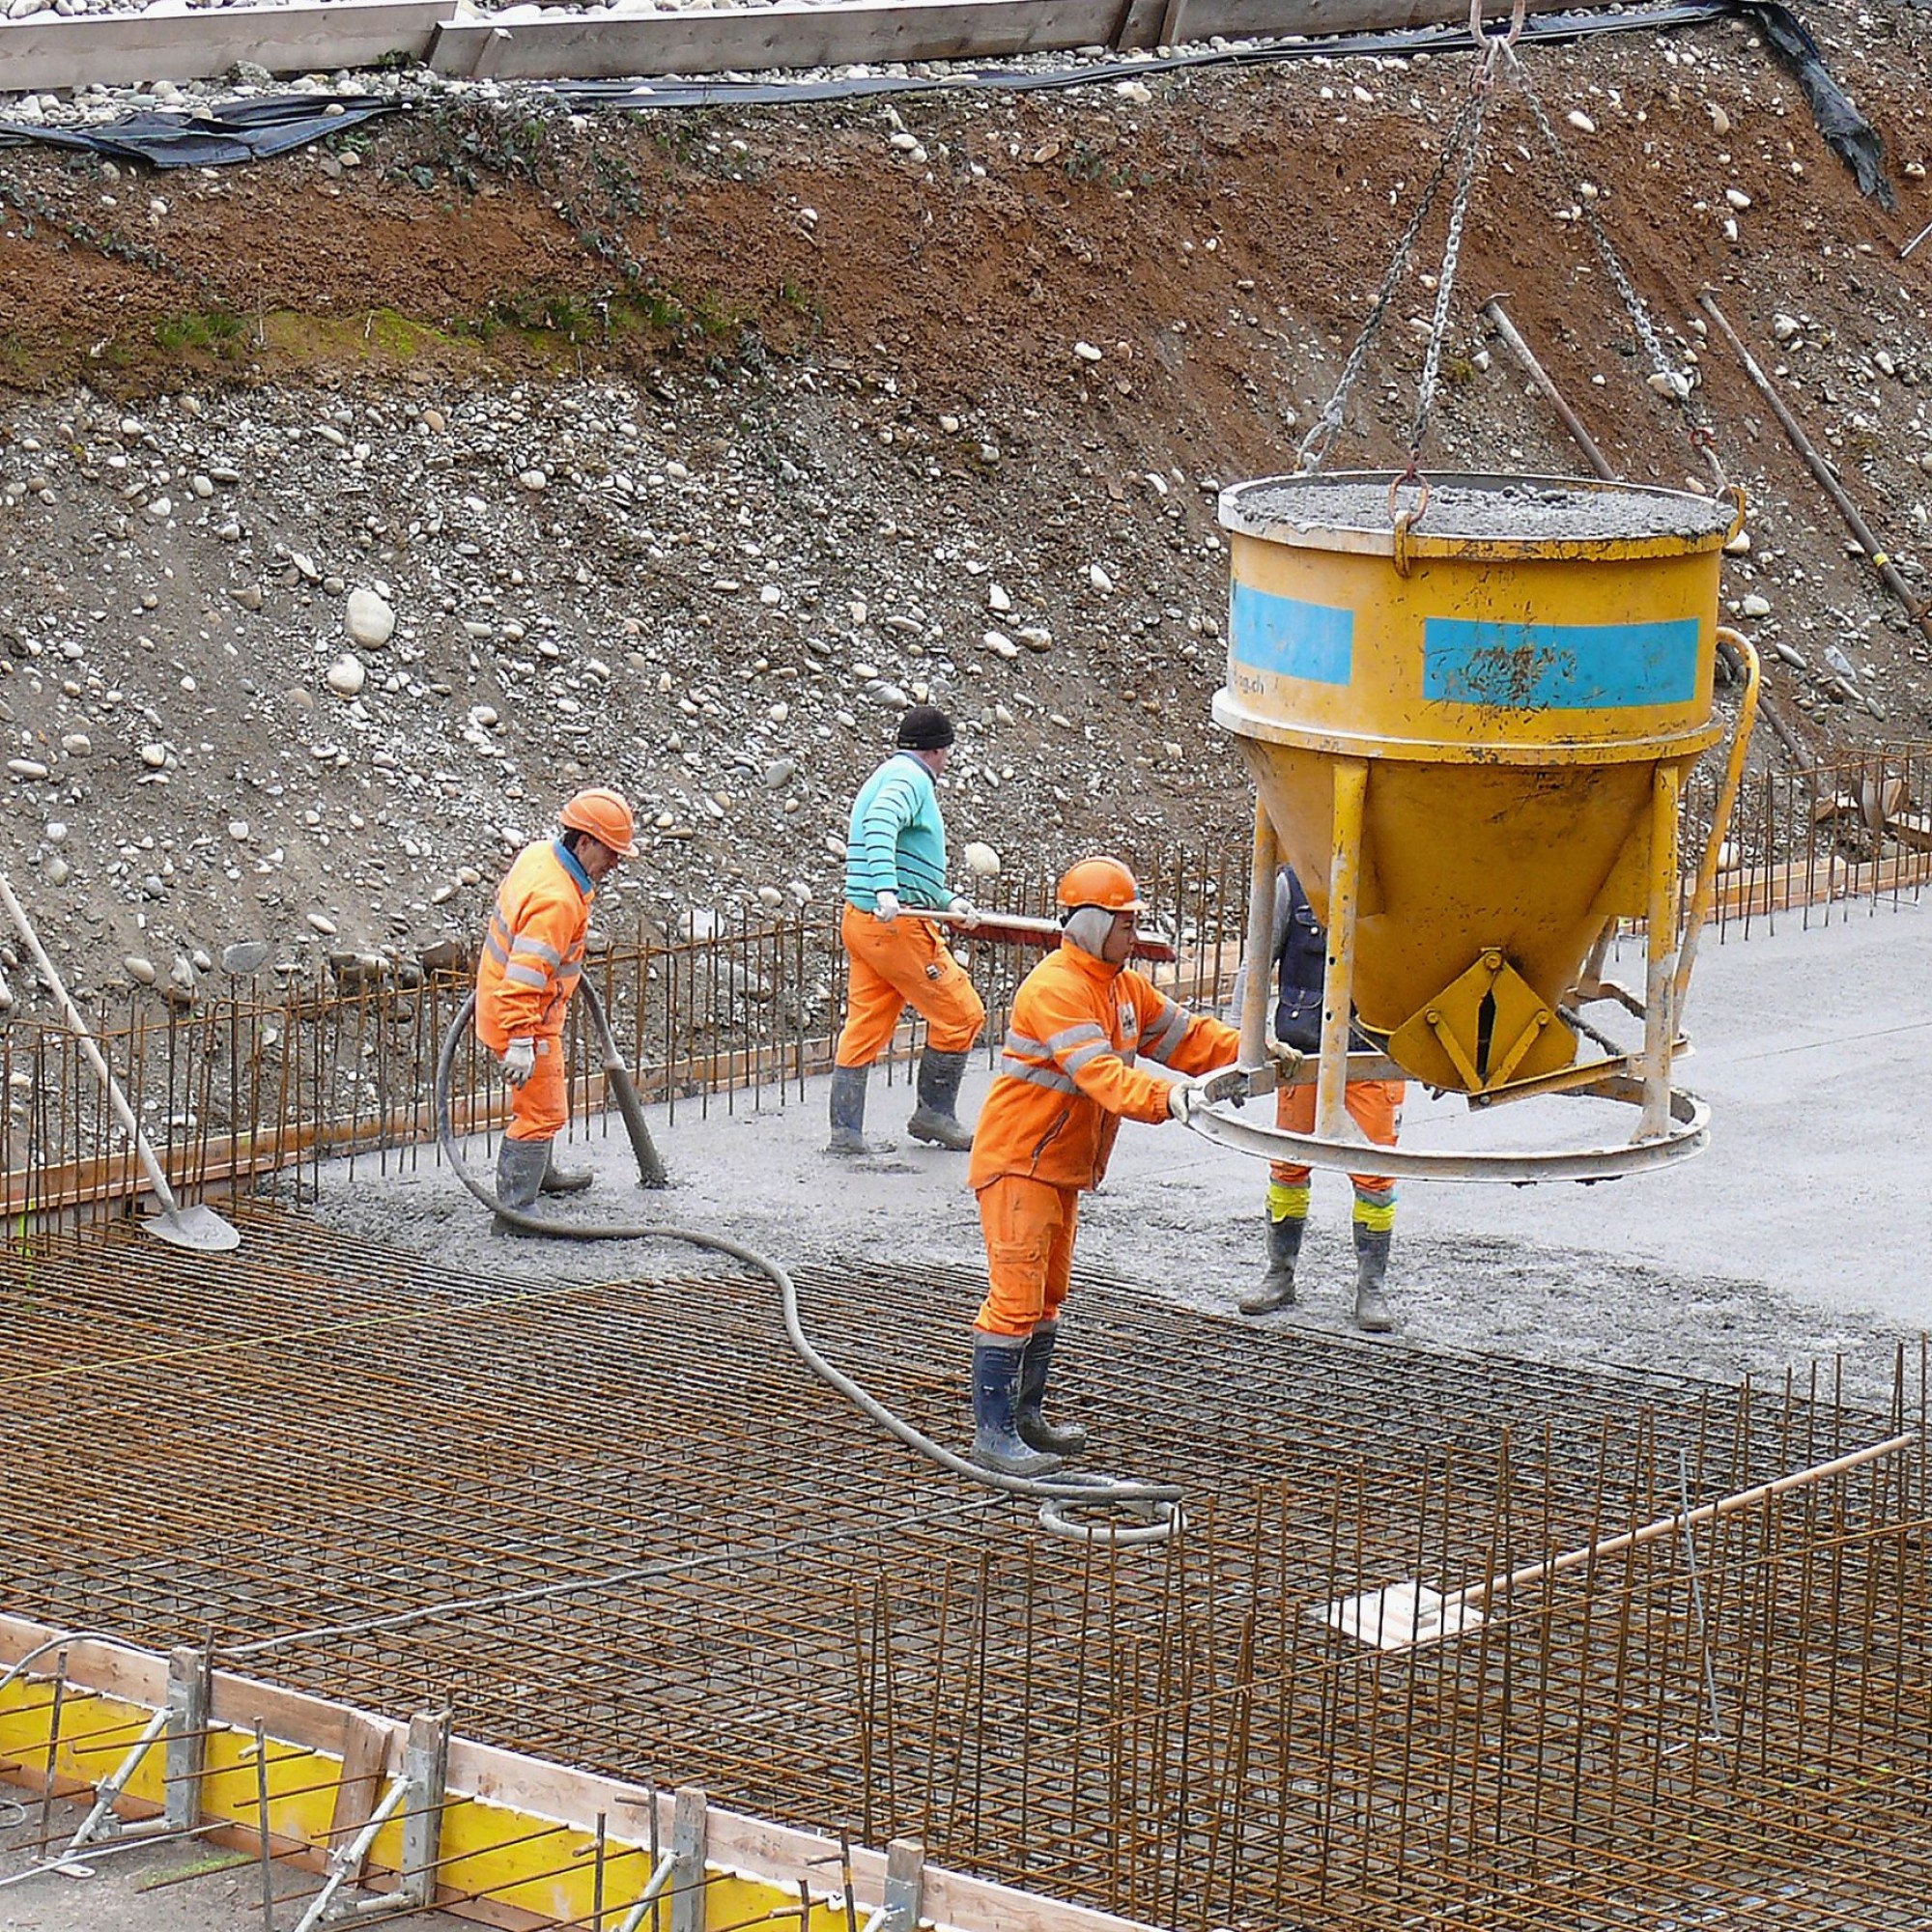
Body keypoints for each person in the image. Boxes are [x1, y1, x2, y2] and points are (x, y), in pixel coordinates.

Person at [964, 857, 1240, 1475]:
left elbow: (1187, 1037)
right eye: (1123, 923)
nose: (1133, 934)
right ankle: (995, 1435)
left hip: (1060, 1166)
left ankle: (1026, 1418)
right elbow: (1100, 1076)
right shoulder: (1057, 988)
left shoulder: (1122, 987)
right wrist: (1166, 1098)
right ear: (1090, 925)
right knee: (1015, 1298)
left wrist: (1254, 1054)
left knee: (1047, 1296)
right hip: (1019, 1163)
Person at [1238, 863, 1404, 1333]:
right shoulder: (1292, 887)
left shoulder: (1401, 887)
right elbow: (1256, 964)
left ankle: (1371, 1289)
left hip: (1372, 1056)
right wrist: (1241, 1042)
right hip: (1303, 1058)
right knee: (1288, 1168)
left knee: (1375, 1178)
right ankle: (1279, 1276)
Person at [474, 786, 638, 1226]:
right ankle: (516, 1211)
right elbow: (525, 977)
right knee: (542, 1111)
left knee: (544, 1102)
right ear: (583, 842)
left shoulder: (541, 856)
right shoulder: (556, 901)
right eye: (610, 852)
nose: (615, 864)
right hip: (522, 1019)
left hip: (514, 1004)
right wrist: (521, 1041)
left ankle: (540, 1176)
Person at [831, 705, 986, 1157]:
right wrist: (886, 889)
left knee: (865, 1024)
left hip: (864, 922)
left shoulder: (888, 772)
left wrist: (946, 901)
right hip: (894, 926)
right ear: (940, 750)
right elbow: (881, 824)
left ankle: (845, 1132)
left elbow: (906, 860)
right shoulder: (912, 780)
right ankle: (934, 1114)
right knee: (962, 1014)